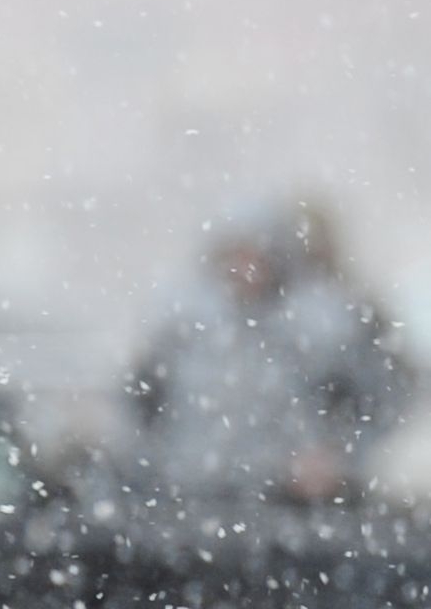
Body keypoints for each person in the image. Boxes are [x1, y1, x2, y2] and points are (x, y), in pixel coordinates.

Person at [128, 191, 414, 504]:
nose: (246, 268)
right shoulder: (184, 324)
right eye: (236, 255)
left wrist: (339, 456)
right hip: (190, 498)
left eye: (256, 256)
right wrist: (155, 459)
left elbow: (382, 396)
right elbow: (137, 401)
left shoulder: (325, 325)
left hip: (290, 504)